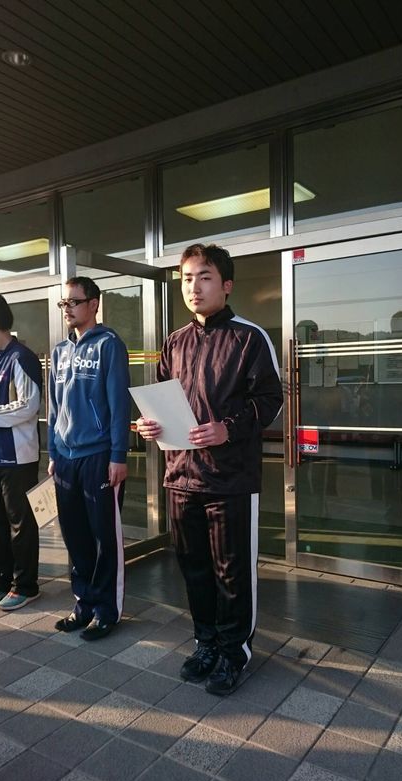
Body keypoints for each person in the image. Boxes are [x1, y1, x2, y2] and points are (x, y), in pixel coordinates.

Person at [137, 243, 282, 695]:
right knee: (194, 568)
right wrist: (150, 424)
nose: (193, 287)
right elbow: (164, 399)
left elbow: (271, 402)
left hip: (230, 479)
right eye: (186, 279)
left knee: (233, 572)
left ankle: (235, 652)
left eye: (204, 277)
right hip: (181, 477)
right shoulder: (175, 341)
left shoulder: (249, 338)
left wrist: (227, 429)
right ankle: (206, 642)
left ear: (226, 285)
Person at [48, 277, 130, 641]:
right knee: (75, 536)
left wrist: (118, 455)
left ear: (94, 303)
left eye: (73, 302)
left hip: (99, 456)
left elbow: (119, 404)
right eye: (63, 303)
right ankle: (83, 604)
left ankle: (106, 610)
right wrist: (53, 452)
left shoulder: (109, 345)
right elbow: (54, 408)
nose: (67, 309)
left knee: (103, 538)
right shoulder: (59, 351)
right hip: (65, 458)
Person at [0, 294, 42, 611]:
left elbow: (29, 406)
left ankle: (25, 585)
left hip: (18, 457)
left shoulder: (21, 357)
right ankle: (2, 581)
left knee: (20, 523)